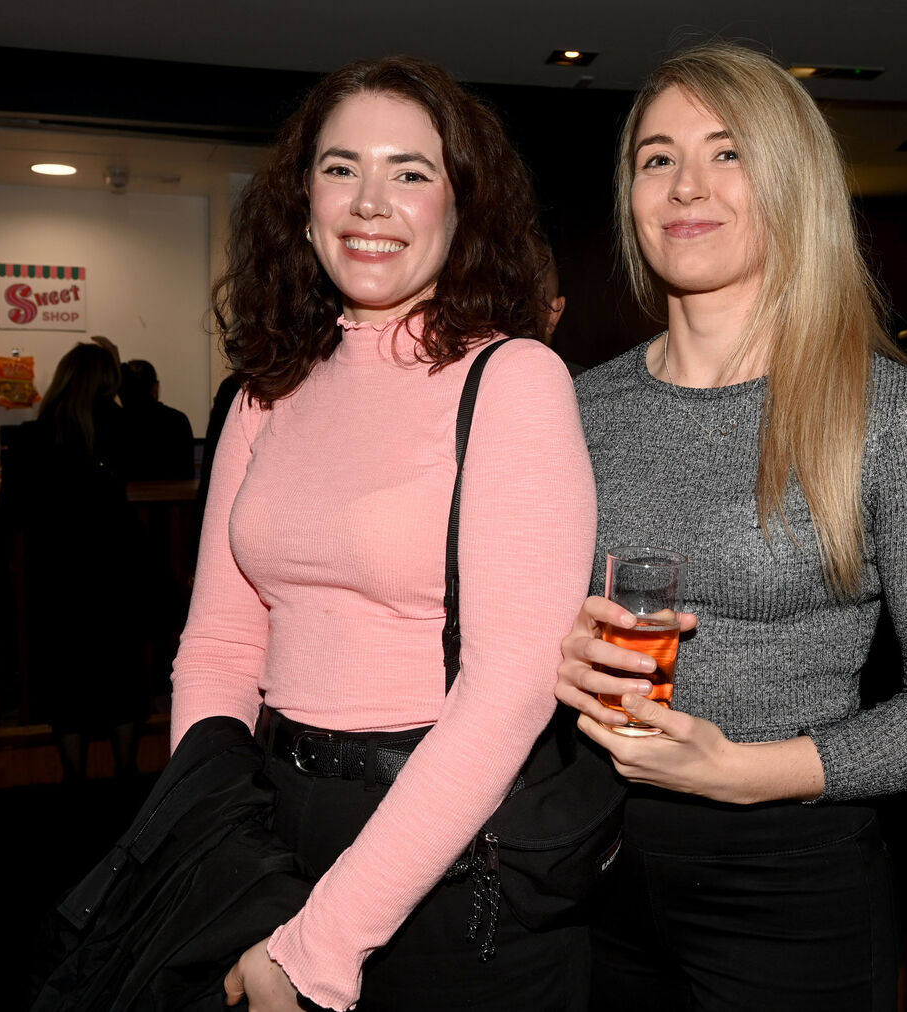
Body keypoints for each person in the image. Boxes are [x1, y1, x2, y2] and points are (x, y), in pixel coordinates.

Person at [555, 44, 907, 1011]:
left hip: (791, 883)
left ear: (791, 186)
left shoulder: (891, 418)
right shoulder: (574, 409)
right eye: (656, 157)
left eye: (728, 154)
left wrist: (744, 773)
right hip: (585, 859)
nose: (686, 186)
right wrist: (552, 659)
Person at [171, 56, 595, 1012]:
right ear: (302, 200)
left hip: (449, 852)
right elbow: (220, 645)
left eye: (411, 172)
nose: (371, 202)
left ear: (461, 205)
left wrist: (321, 940)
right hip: (271, 820)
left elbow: (511, 689)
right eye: (340, 168)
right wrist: (216, 854)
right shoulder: (263, 391)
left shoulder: (513, 380)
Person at [0, 338, 148, 782]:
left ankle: (74, 780)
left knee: (65, 682)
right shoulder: (121, 428)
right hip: (114, 573)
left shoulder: (31, 438)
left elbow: (12, 513)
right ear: (109, 382)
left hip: (56, 577)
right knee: (121, 675)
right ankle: (126, 775)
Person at [118, 358, 196, 480]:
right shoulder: (178, 421)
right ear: (156, 387)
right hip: (174, 497)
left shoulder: (116, 422)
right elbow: (187, 474)